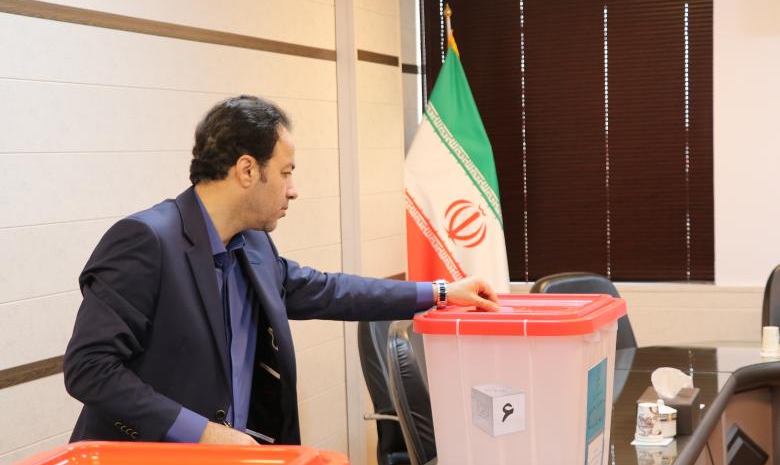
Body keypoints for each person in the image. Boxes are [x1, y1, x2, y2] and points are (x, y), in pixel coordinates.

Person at [63, 95, 500, 446]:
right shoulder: (146, 241)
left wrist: (441, 292)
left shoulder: (252, 244)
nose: (294, 190)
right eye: (286, 172)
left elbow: (329, 291)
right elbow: (90, 368)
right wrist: (201, 433)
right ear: (247, 170)